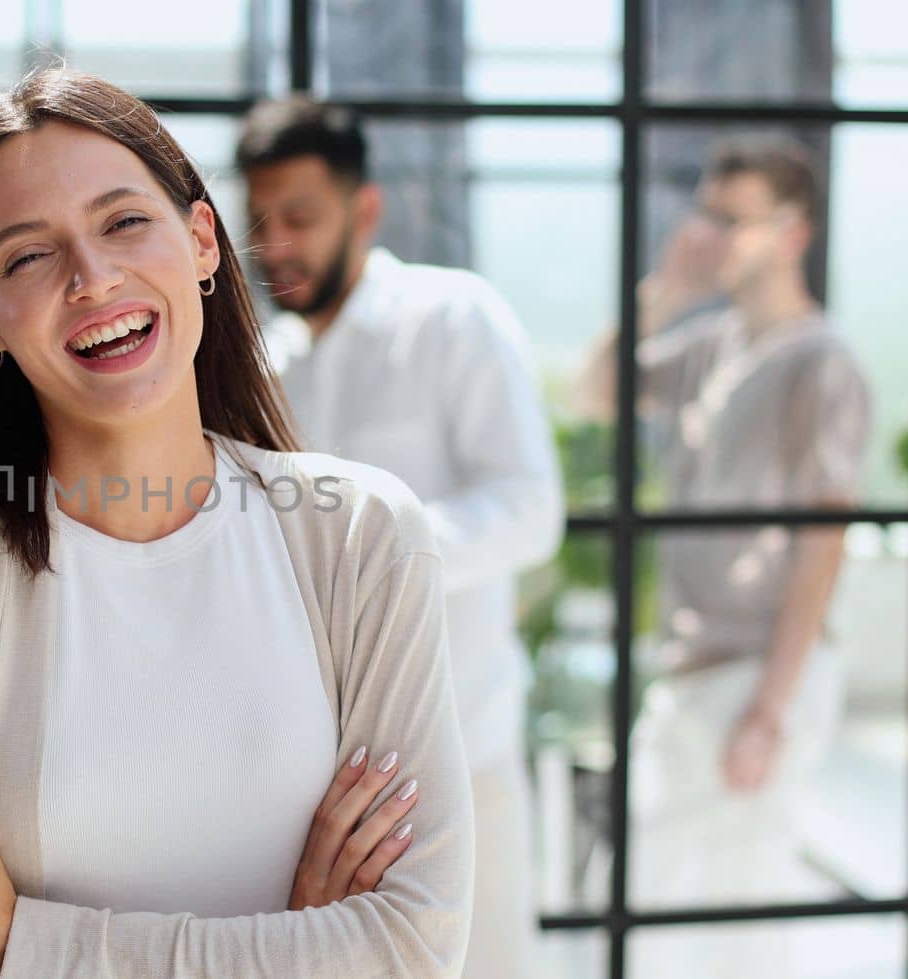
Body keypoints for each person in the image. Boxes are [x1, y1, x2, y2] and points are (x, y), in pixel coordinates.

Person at [0, 68, 474, 979]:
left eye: (125, 221)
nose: (93, 277)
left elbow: (411, 948)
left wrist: (20, 946)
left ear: (202, 241)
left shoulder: (358, 535)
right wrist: (294, 940)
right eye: (27, 256)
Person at [237, 96, 563, 979]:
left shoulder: (455, 319)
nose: (278, 244)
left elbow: (531, 510)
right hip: (316, 794)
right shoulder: (267, 364)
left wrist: (380, 549)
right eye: (260, 219)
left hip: (461, 760)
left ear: (365, 209)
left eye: (300, 217)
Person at [573, 140, 870, 976]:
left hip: (757, 672)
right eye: (706, 215)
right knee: (649, 890)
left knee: (735, 903)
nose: (711, 235)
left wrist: (773, 708)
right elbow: (595, 389)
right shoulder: (713, 344)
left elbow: (825, 538)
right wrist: (667, 291)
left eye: (730, 220)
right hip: (697, 668)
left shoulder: (823, 360)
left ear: (791, 233)